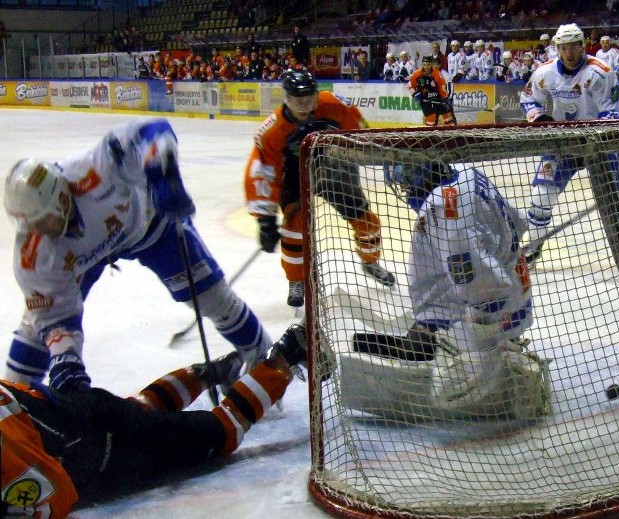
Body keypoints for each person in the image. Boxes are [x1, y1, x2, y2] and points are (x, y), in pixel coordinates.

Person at [3, 119, 273, 391]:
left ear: (61, 199)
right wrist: (67, 360)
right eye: (28, 224)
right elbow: (54, 317)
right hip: (88, 257)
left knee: (213, 298)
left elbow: (151, 130)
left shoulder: (94, 170)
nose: (36, 231)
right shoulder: (36, 250)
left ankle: (265, 361)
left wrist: (164, 177)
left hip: (150, 225)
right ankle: (13, 403)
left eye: (40, 220)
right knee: (35, 329)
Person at [0, 323, 330, 517]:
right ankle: (204, 374)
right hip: (89, 418)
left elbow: (56, 493)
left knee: (223, 430)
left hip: (108, 447)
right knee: (139, 412)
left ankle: (288, 353)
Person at [339, 161, 548, 421]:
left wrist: (484, 351)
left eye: (406, 185)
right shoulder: (466, 175)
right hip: (509, 290)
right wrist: (501, 249)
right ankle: (434, 331)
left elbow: (482, 284)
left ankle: (505, 365)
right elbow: (516, 221)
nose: (405, 192)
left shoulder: (445, 212)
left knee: (446, 394)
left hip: (491, 317)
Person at [244, 69, 396, 308]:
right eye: (297, 100)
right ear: (286, 98)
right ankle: (297, 280)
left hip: (335, 167)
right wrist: (265, 219)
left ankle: (370, 262)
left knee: (367, 222)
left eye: (308, 99)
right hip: (295, 177)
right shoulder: (272, 132)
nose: (304, 106)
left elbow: (362, 133)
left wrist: (374, 150)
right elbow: (263, 173)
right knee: (295, 228)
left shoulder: (333, 105)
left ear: (316, 95)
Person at [519, 23, 619, 262]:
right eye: (563, 48)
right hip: (562, 145)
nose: (568, 53)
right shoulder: (544, 72)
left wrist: (592, 133)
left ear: (582, 45)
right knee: (540, 197)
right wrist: (539, 117)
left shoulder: (601, 72)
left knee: (615, 202)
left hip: (600, 146)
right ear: (557, 48)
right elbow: (528, 98)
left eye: (573, 47)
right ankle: (534, 249)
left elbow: (613, 113)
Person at [408, 55, 457, 127]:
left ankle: (451, 134)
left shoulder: (437, 73)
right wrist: (416, 94)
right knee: (431, 120)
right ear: (422, 64)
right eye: (425, 65)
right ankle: (430, 137)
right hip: (425, 100)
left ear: (431, 64)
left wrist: (445, 98)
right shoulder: (417, 74)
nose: (426, 67)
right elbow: (409, 85)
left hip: (437, 98)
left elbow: (441, 86)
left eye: (428, 64)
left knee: (448, 116)